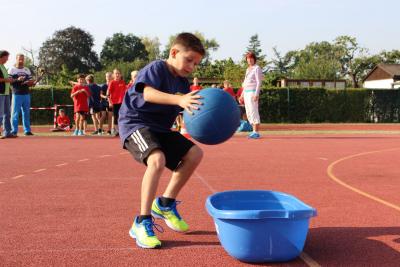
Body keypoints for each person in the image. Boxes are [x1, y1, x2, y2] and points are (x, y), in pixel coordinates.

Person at [118, 32, 205, 249]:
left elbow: (184, 110)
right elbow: (147, 94)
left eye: (196, 63)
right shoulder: (156, 68)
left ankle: (165, 203)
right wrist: (179, 99)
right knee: (157, 160)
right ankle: (142, 221)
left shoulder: (183, 83)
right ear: (174, 52)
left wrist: (207, 120)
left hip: (161, 129)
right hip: (135, 123)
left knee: (195, 154)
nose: (191, 66)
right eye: (189, 60)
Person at [9, 54, 38, 136]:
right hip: (16, 93)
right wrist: (17, 79)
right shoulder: (12, 69)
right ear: (16, 59)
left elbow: (30, 81)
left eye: (22, 59)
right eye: (19, 59)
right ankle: (13, 131)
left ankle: (27, 130)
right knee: (15, 113)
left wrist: (31, 83)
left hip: (26, 94)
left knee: (26, 113)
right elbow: (9, 81)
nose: (21, 61)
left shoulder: (26, 70)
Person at [239, 51, 263, 139]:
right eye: (248, 59)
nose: (249, 60)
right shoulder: (247, 69)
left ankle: (256, 132)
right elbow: (245, 84)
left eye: (251, 58)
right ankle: (253, 131)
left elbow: (259, 82)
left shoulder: (257, 68)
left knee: (253, 111)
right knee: (248, 112)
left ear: (254, 59)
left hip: (252, 92)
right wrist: (242, 95)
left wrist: (256, 94)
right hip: (246, 92)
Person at [0, 50, 20, 139]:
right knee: (0, 114)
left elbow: (6, 78)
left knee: (7, 114)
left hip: (7, 92)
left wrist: (14, 80)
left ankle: (7, 132)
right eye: (6, 57)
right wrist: (6, 80)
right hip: (0, 93)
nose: (7, 59)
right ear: (2, 57)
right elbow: (2, 79)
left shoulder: (3, 67)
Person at [107, 68, 126, 136]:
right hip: (114, 102)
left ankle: (120, 129)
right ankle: (116, 130)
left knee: (122, 116)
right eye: (116, 73)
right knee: (115, 116)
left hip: (122, 102)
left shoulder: (123, 82)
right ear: (113, 75)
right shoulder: (112, 82)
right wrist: (109, 102)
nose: (117, 75)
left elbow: (125, 92)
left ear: (120, 74)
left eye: (118, 73)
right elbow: (107, 93)